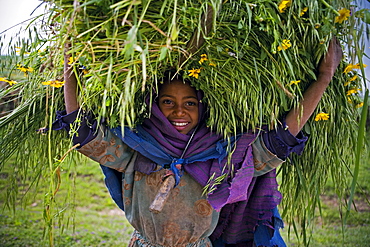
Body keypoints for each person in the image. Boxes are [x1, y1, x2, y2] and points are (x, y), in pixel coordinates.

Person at [53, 37, 343, 247]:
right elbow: (83, 130)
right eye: (168, 102)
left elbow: (280, 138)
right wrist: (70, 69)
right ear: (154, 106)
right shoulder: (136, 150)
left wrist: (324, 77)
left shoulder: (225, 158)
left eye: (190, 103)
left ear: (203, 108)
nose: (179, 112)